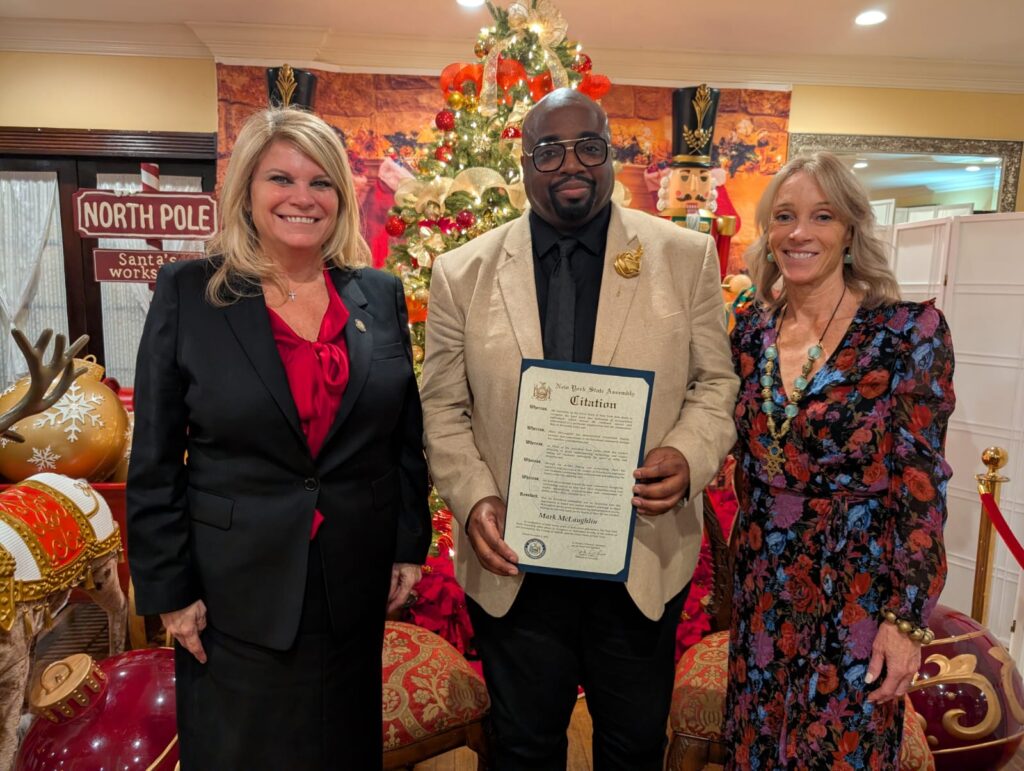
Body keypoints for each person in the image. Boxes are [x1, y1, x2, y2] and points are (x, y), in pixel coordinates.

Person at [419, 88, 738, 770]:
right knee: (524, 749)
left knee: (632, 747)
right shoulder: (461, 272)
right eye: (550, 150)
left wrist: (688, 454)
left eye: (589, 147)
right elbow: (442, 406)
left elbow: (717, 384)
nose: (572, 164)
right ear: (524, 163)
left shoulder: (684, 257)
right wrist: (473, 497)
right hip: (516, 561)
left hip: (639, 554)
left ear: (611, 155)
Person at [127, 107, 430, 770]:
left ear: (341, 199)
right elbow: (154, 457)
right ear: (247, 191)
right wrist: (169, 591)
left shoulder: (378, 294)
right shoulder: (190, 292)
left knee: (340, 748)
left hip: (351, 586)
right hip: (232, 595)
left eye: (321, 182)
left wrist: (409, 544)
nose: (303, 197)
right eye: (281, 179)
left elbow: (403, 438)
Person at [724, 151, 954, 769]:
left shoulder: (907, 332)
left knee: (841, 752)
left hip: (856, 590)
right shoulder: (749, 329)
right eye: (784, 216)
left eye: (821, 216)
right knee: (757, 746)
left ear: (851, 230)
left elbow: (923, 485)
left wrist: (905, 620)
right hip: (762, 584)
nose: (799, 232)